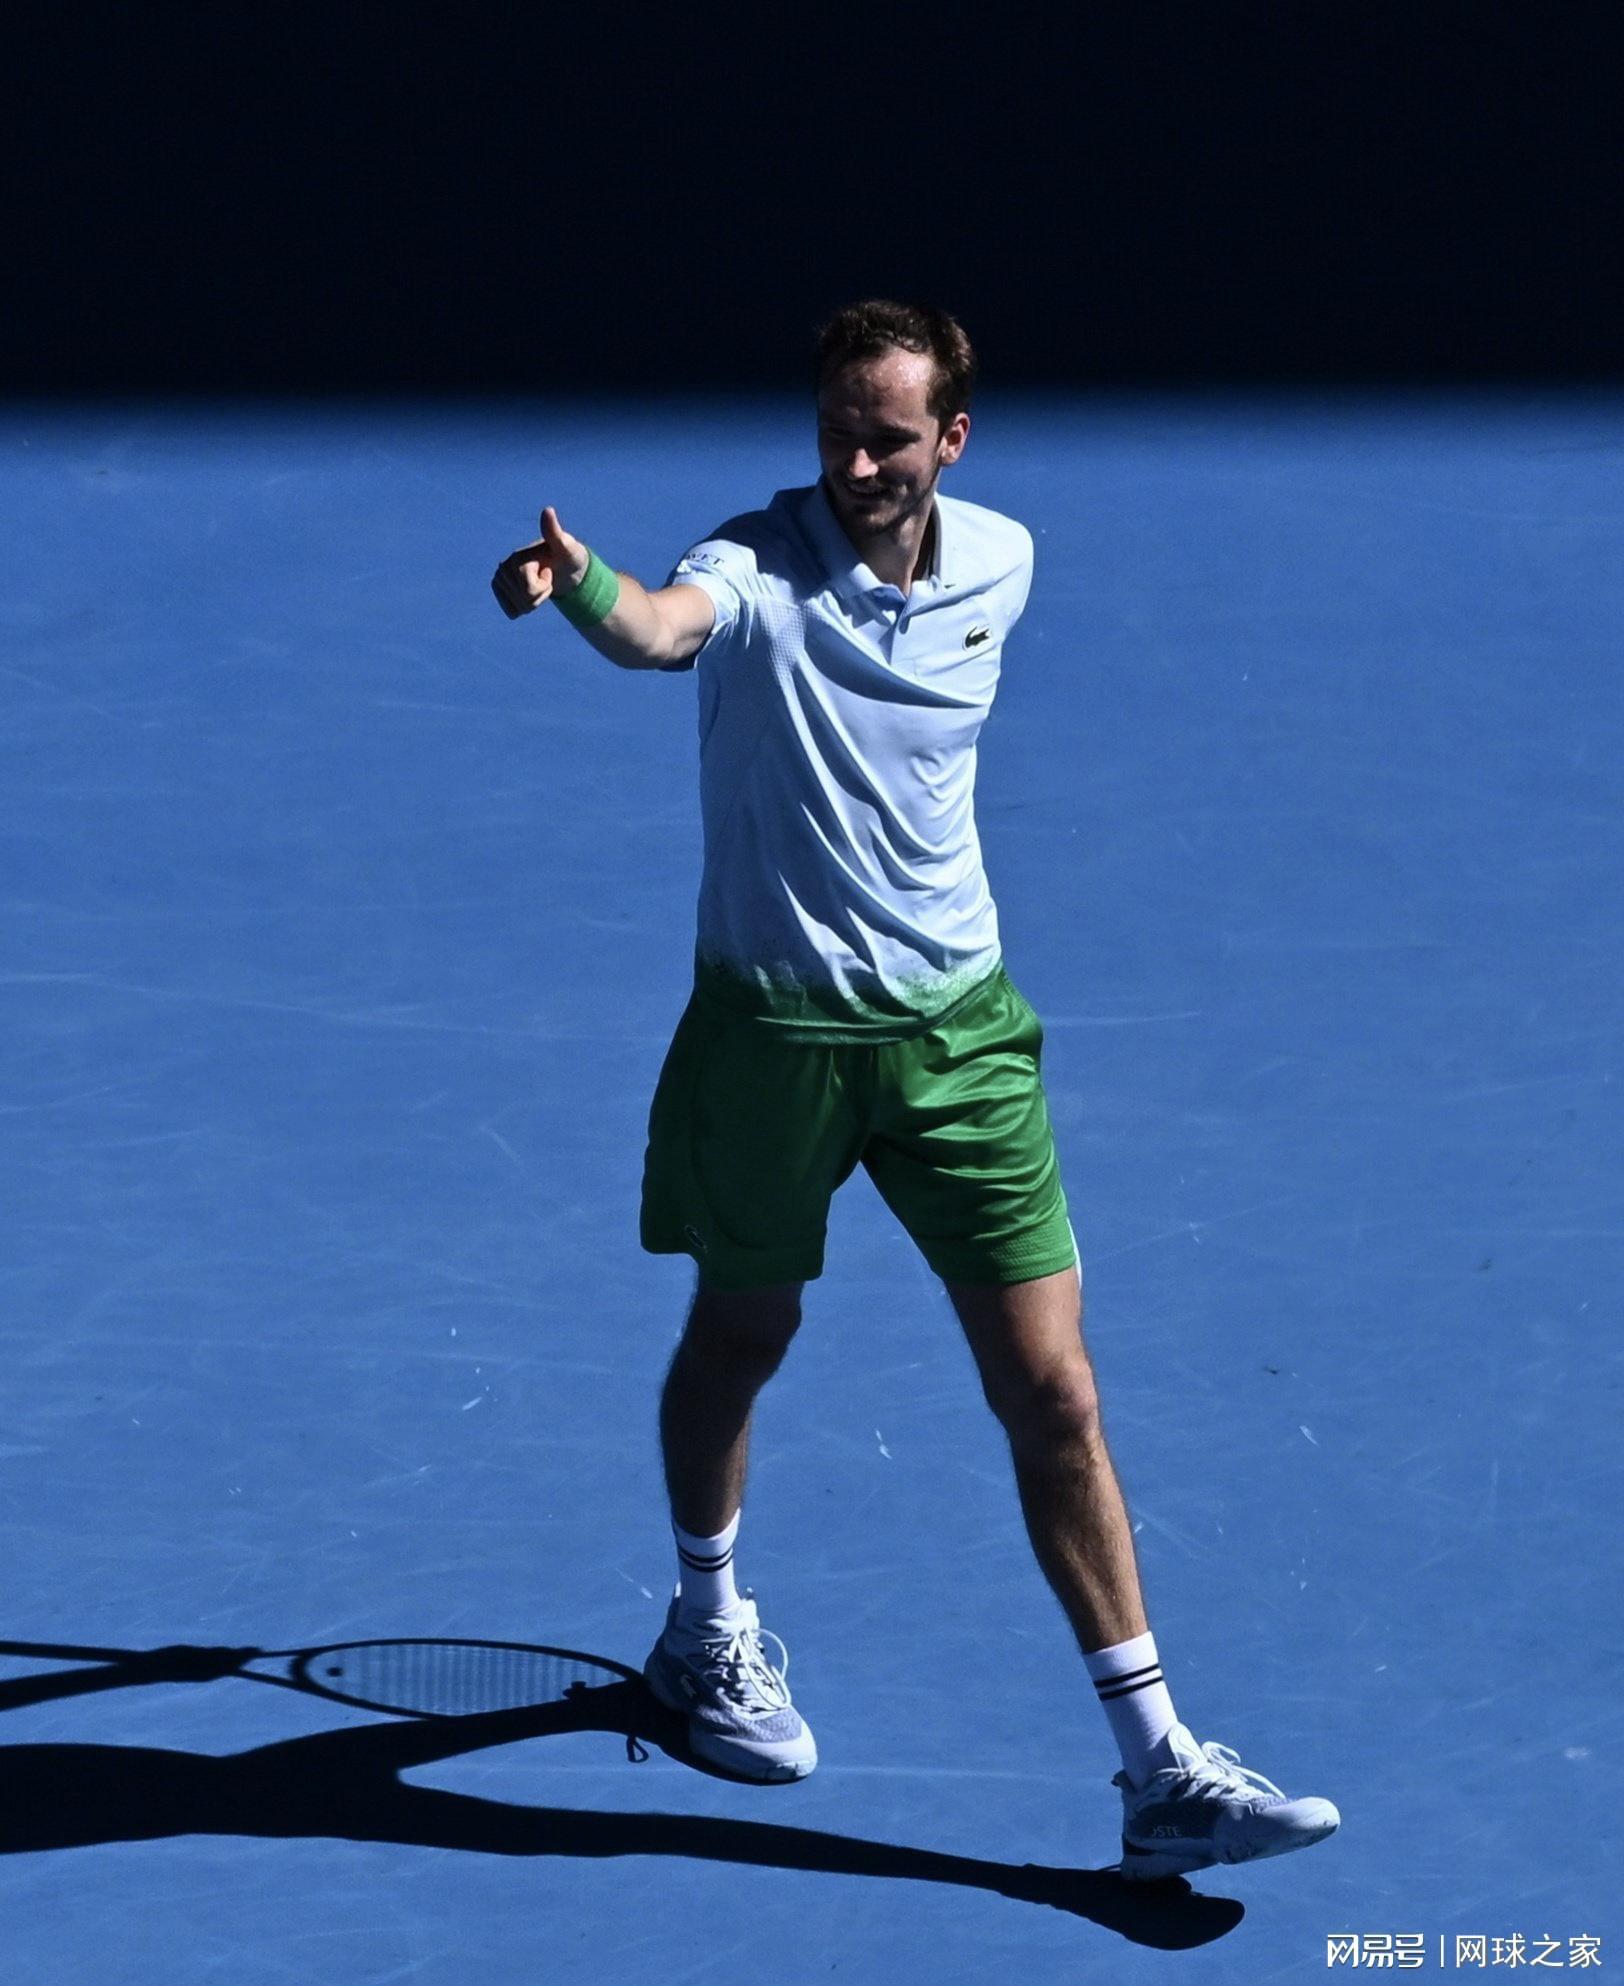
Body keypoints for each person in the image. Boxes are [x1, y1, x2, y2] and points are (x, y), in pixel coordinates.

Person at [490, 300, 1339, 1881]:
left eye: (889, 436)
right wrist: (582, 586)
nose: (859, 462)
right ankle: (702, 1630)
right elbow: (662, 627)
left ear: (953, 436)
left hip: (962, 1041)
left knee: (1055, 1390)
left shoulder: (1001, 562)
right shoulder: (753, 567)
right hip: (772, 1040)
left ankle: (1159, 1768)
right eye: (838, 433)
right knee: (743, 1335)